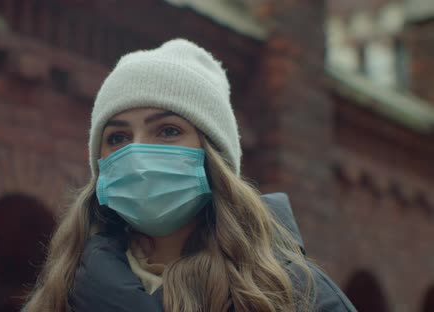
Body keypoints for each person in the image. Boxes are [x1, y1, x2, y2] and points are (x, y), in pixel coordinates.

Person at [22, 39, 356, 312]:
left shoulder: (295, 295)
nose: (137, 154)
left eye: (167, 130)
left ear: (213, 157)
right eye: (117, 138)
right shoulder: (64, 292)